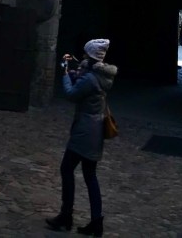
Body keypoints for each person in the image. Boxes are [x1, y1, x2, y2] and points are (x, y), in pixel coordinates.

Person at [46, 39, 117, 237]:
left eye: (86, 53)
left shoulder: (91, 79)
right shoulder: (100, 76)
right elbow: (83, 84)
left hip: (84, 131)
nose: (83, 55)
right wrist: (77, 73)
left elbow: (71, 94)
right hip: (95, 131)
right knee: (90, 175)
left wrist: (65, 74)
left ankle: (66, 215)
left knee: (66, 169)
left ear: (91, 56)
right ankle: (96, 221)